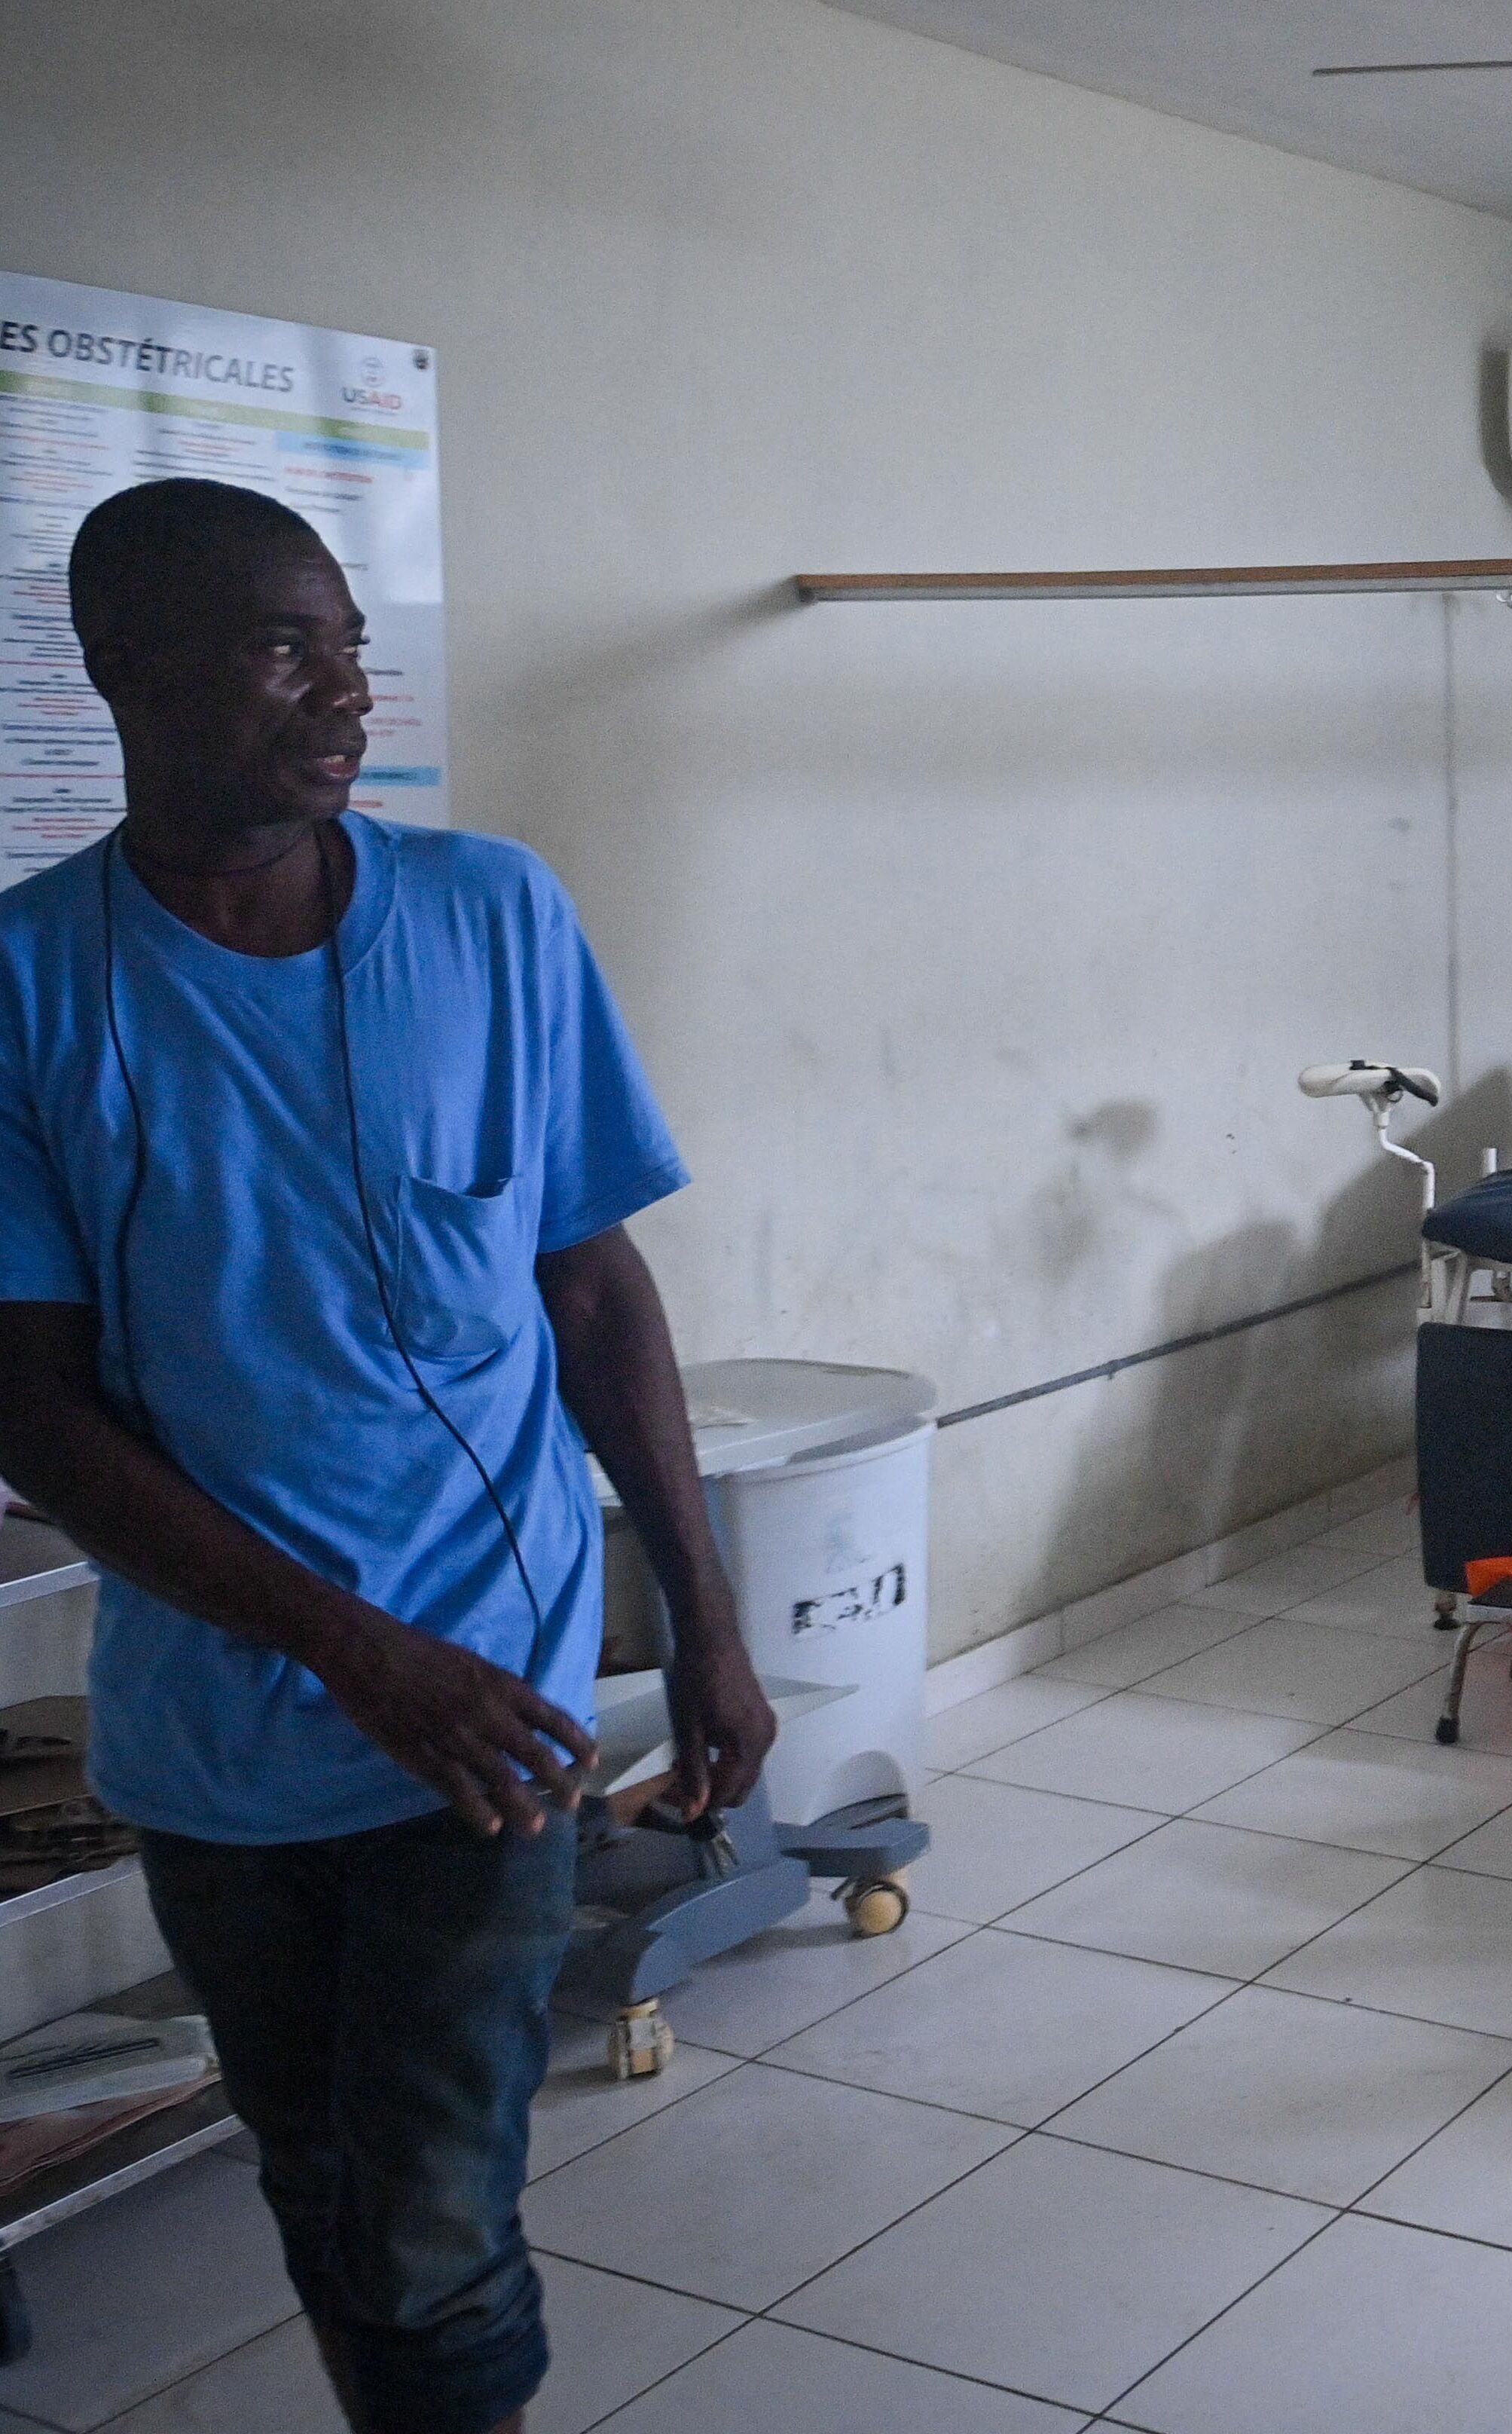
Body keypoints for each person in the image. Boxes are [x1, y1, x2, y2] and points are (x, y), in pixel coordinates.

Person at [0, 479, 773, 2434]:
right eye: (282, 646)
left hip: (489, 1715)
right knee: (322, 2179)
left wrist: (702, 1617)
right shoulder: (25, 985)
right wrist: (353, 1654)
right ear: (118, 670)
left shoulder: (496, 916)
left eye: (349, 639)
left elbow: (594, 1296)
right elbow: (30, 1414)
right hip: (218, 1738)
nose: (344, 691)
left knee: (431, 2216)